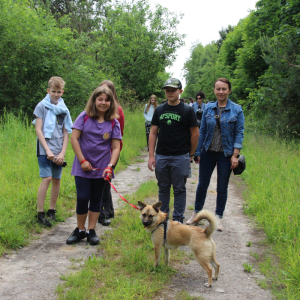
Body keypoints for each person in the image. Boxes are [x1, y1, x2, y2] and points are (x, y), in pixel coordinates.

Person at [187, 78, 244, 231]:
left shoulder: (237, 109)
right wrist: (197, 152)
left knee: (222, 187)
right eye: (218, 89)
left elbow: (239, 133)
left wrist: (235, 155)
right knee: (202, 184)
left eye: (224, 89)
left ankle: (218, 218)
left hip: (225, 155)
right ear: (214, 90)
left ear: (229, 91)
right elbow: (202, 131)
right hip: (207, 152)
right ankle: (197, 214)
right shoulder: (208, 108)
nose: (221, 92)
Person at [67, 86, 122, 245]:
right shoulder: (84, 117)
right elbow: (74, 139)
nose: (103, 102)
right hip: (83, 167)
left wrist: (110, 166)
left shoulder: (113, 123)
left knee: (97, 198)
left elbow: (116, 147)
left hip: (102, 169)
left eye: (107, 100)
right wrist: (83, 160)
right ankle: (80, 230)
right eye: (100, 99)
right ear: (94, 100)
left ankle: (91, 230)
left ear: (111, 102)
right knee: (83, 198)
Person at [148, 78, 199, 223]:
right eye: (167, 90)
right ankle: (163, 220)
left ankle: (177, 221)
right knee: (163, 188)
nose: (170, 93)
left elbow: (195, 134)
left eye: (173, 90)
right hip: (162, 156)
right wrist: (151, 155)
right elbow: (153, 133)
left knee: (179, 189)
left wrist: (190, 155)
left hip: (180, 156)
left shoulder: (187, 110)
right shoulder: (159, 110)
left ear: (180, 91)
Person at [33, 77, 72, 227]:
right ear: (48, 91)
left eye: (59, 92)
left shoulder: (63, 109)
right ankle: (40, 213)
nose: (56, 94)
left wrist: (62, 153)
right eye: (53, 92)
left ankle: (52, 210)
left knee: (56, 179)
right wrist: (48, 150)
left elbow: (66, 131)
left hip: (58, 149)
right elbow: (38, 130)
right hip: (45, 149)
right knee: (47, 178)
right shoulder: (41, 106)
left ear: (62, 92)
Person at [97, 80, 125, 226]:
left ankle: (104, 213)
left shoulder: (118, 110)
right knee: (102, 182)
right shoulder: (96, 110)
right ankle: (110, 210)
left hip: (111, 151)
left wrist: (113, 153)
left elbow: (119, 135)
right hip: (98, 152)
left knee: (105, 182)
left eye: (107, 89)